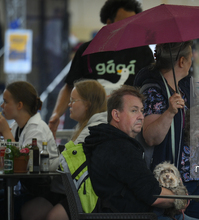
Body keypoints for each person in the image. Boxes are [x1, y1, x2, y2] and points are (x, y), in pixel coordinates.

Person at [85, 85, 199, 220]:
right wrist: (179, 198)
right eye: (134, 111)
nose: (141, 116)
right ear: (116, 115)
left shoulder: (118, 143)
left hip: (141, 216)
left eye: (141, 110)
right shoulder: (118, 148)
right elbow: (153, 195)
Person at [20, 79, 107, 220]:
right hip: (68, 190)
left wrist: (41, 164)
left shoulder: (95, 127)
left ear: (88, 104)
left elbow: (66, 162)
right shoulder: (84, 125)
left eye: (73, 100)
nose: (69, 104)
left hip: (89, 196)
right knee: (31, 212)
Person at [134, 41, 199, 220]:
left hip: (195, 176)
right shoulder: (154, 92)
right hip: (175, 181)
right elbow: (150, 137)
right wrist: (170, 112)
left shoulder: (185, 87)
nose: (192, 61)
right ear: (182, 61)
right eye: (190, 57)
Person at [48, 0, 154, 137]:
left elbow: (150, 90)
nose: (129, 28)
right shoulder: (87, 51)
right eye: (124, 23)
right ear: (109, 22)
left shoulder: (143, 52)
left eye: (132, 24)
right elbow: (70, 87)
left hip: (130, 131)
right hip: (92, 128)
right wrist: (56, 114)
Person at [0, 81, 58, 168]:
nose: (2, 105)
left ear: (19, 105)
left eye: (6, 102)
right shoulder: (16, 126)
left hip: (42, 181)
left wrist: (6, 132)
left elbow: (25, 165)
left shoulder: (37, 129)